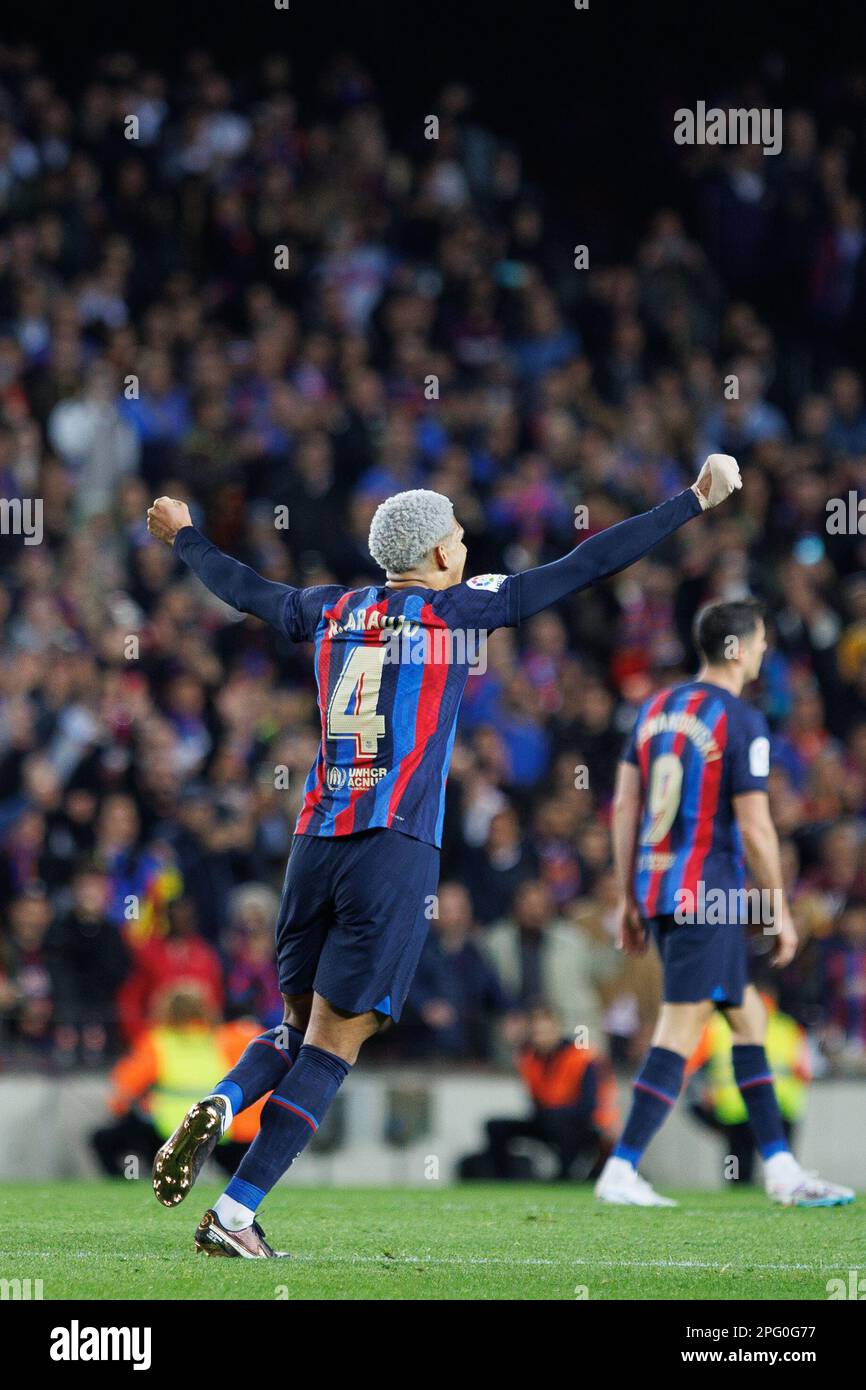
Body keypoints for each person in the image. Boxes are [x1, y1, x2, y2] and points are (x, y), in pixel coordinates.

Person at [145, 452, 741, 1258]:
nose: (466, 548)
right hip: (393, 847)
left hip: (315, 840)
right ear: (435, 557)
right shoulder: (457, 612)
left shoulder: (326, 608)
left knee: (294, 1025)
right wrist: (692, 501)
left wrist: (184, 535)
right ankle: (236, 1211)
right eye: (459, 538)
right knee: (336, 1041)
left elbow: (244, 588)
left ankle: (223, 1097)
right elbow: (588, 562)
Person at [596, 598, 854, 1207]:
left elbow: (626, 805)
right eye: (760, 641)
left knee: (748, 1020)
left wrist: (631, 892)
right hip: (707, 896)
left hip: (661, 889)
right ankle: (622, 1167)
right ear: (737, 647)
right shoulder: (740, 721)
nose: (765, 651)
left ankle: (782, 1169)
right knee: (681, 1026)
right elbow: (759, 830)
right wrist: (779, 909)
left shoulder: (655, 708)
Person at [91, 984, 265, 1178]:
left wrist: (122, 1110)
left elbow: (123, 1090)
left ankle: (130, 1184)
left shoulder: (157, 1042)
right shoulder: (225, 1039)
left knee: (104, 1140)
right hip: (217, 1130)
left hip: (168, 1131)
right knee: (239, 1164)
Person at [686, 979, 810, 1184]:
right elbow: (804, 1072)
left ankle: (731, 1186)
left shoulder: (717, 1027)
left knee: (735, 1163)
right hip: (780, 1109)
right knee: (781, 1163)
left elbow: (693, 1063)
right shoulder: (789, 1028)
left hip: (735, 1109)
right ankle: (788, 1187)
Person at [478, 1006, 618, 1181]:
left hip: (582, 1125)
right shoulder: (528, 1059)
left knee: (559, 1124)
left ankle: (566, 1176)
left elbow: (588, 1106)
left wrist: (555, 1114)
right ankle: (503, 1177)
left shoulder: (582, 1057)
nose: (539, 1037)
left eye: (544, 1032)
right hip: (545, 1120)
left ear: (557, 1030)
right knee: (495, 1126)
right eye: (536, 1032)